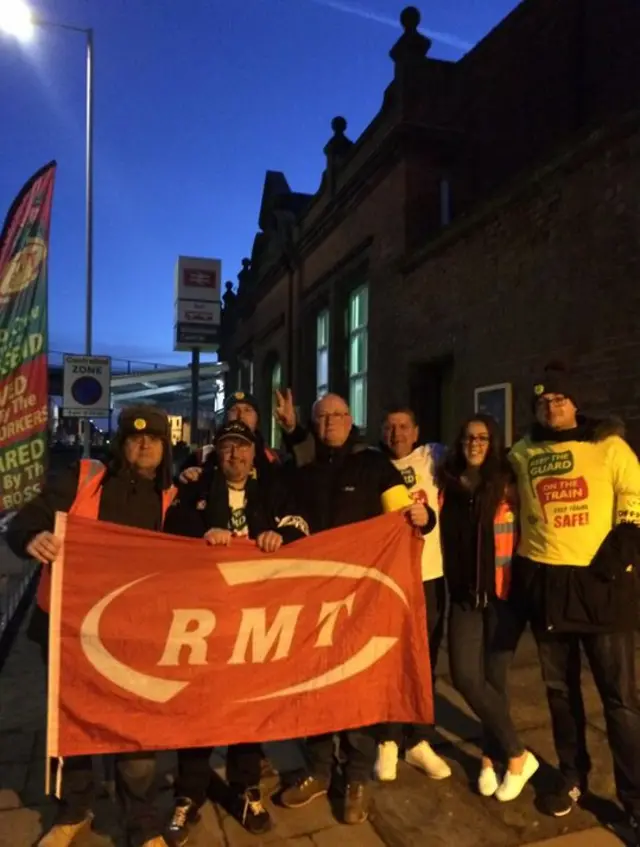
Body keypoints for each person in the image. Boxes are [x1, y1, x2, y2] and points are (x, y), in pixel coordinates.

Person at [7, 405, 177, 847]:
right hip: (68, 631)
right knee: (75, 725)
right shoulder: (84, 481)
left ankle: (140, 824)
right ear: (122, 444)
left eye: (154, 439)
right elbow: (23, 521)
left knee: (135, 731)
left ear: (165, 447)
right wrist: (31, 538)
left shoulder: (170, 497)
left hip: (133, 634)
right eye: (136, 438)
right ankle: (74, 810)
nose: (144, 445)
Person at [275, 391, 424, 825]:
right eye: (323, 418)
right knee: (318, 682)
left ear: (350, 419)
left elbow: (402, 512)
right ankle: (320, 769)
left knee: (358, 683)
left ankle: (356, 776)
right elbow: (285, 510)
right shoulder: (302, 467)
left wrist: (422, 519)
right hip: (314, 596)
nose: (330, 424)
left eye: (338, 416)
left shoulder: (373, 463)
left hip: (363, 597)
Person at [509, 363, 640, 837]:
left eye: (559, 399)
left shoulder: (609, 446)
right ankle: (571, 777)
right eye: (542, 401)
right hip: (550, 592)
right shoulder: (522, 452)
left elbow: (633, 500)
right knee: (560, 694)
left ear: (576, 402)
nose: (551, 406)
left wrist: (614, 560)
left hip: (604, 592)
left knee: (621, 702)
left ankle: (634, 799)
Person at [163, 420, 308, 846]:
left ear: (253, 453)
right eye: (227, 448)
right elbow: (172, 524)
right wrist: (202, 532)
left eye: (242, 449)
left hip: (255, 617)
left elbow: (301, 523)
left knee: (249, 703)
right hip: (206, 616)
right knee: (199, 706)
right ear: (217, 452)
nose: (234, 456)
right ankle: (189, 792)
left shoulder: (272, 489)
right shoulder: (197, 485)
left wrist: (276, 534)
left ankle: (245, 787)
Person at [438, 414, 539, 802]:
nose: (474, 444)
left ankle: (488, 757)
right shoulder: (448, 483)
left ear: (493, 442)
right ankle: (517, 753)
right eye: (468, 437)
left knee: (495, 682)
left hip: (503, 596)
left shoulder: (508, 483)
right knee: (466, 676)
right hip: (465, 596)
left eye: (481, 437)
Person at [375, 407, 451, 782]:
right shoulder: (370, 463)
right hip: (388, 579)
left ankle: (419, 739)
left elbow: (480, 454)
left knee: (424, 660)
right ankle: (388, 738)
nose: (397, 433)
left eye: (404, 426)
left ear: (417, 430)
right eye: (389, 427)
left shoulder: (432, 457)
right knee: (389, 659)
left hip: (428, 575)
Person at [179, 391, 280, 477]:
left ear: (257, 418)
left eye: (247, 410)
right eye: (234, 410)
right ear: (225, 418)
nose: (241, 416)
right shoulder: (202, 456)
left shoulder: (272, 458)